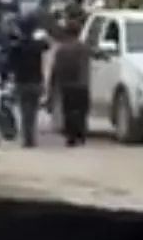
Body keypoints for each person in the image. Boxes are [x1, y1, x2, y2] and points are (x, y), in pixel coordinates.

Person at [46, 21, 92, 146]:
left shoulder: (61, 49)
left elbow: (56, 69)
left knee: (68, 111)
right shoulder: (83, 47)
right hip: (82, 83)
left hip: (66, 84)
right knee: (81, 110)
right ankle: (80, 134)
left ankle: (71, 136)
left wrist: (52, 85)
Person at [6, 19, 49, 147]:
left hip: (21, 81)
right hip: (36, 81)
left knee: (24, 111)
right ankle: (31, 137)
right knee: (33, 111)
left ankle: (27, 138)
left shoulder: (16, 46)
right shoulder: (37, 45)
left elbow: (10, 63)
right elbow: (47, 45)